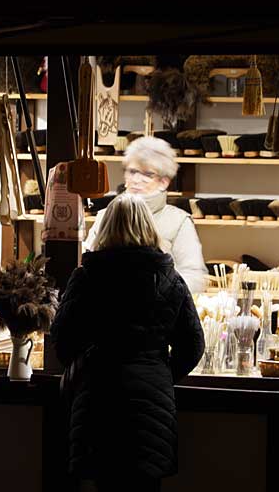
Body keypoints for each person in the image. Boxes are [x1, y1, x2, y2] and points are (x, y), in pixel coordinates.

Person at [51, 194, 205, 492]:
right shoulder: (171, 280)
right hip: (151, 408)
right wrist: (158, 374)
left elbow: (62, 341)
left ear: (105, 227)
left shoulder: (85, 278)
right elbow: (193, 347)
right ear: (149, 227)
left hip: (99, 398)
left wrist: (87, 362)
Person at [83, 137, 206, 293]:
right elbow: (86, 263)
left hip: (160, 314)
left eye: (148, 174)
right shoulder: (106, 216)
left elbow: (193, 275)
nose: (137, 179)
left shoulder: (178, 221)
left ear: (164, 182)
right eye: (133, 171)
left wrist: (156, 295)